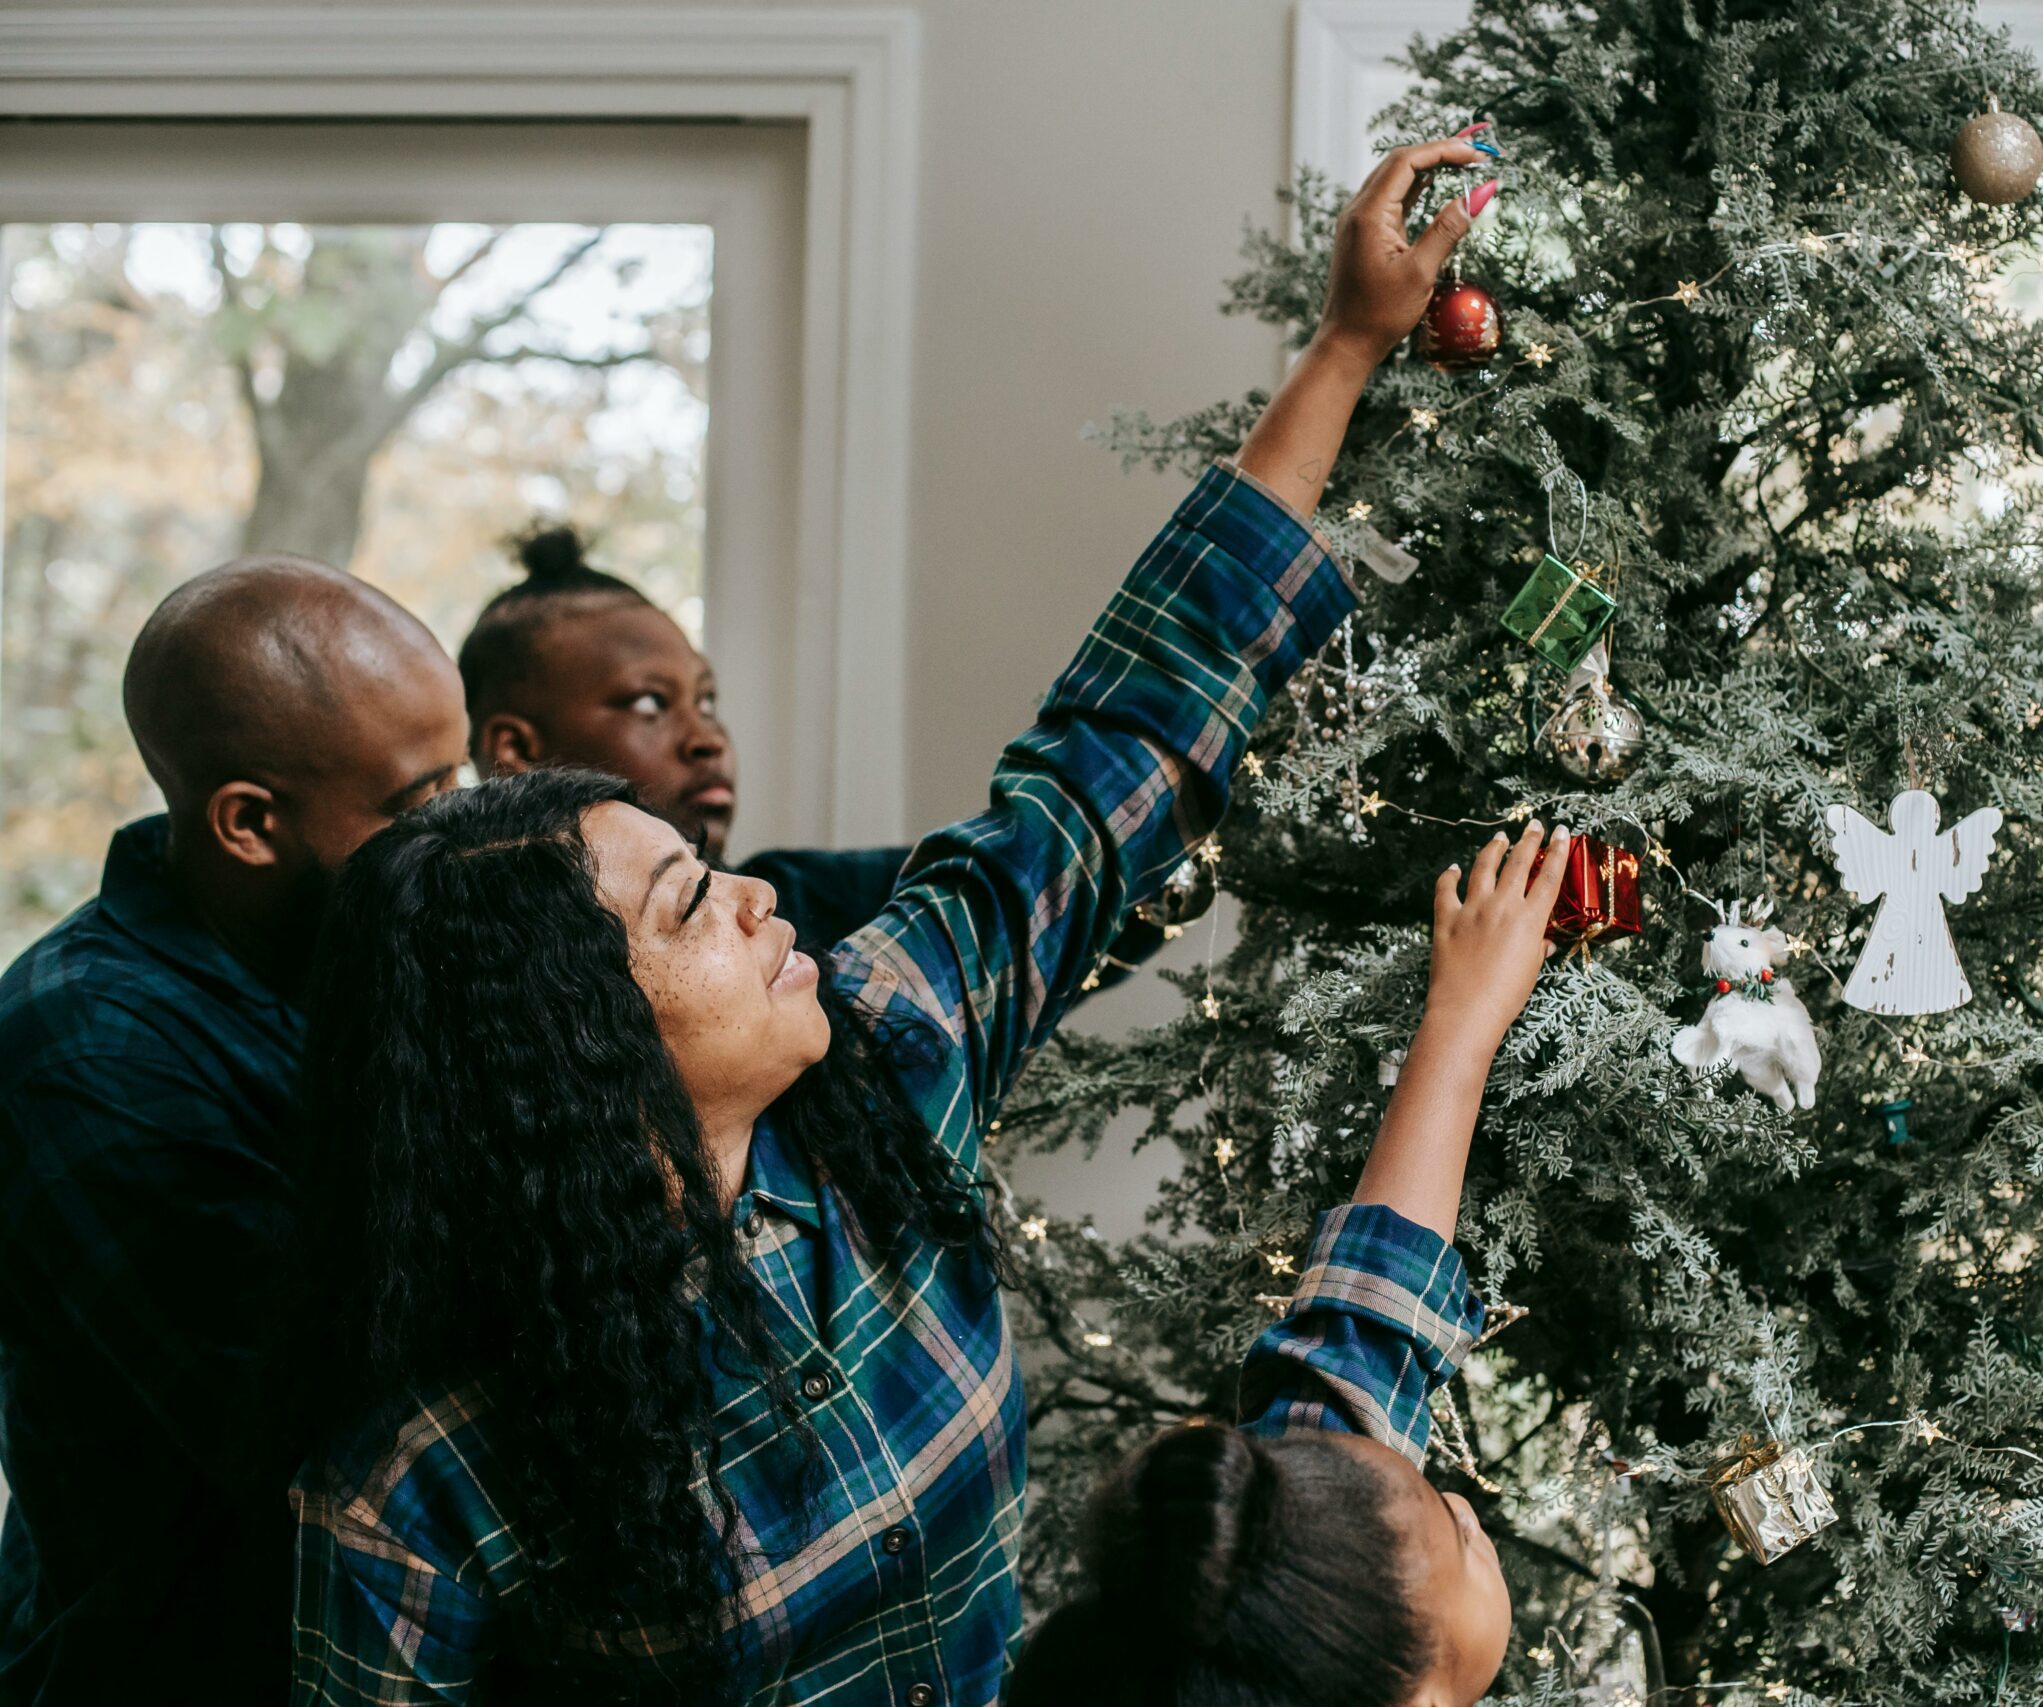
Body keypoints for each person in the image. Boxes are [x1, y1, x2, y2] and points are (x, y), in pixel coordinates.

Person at [285, 136, 1502, 1705]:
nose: (757, 893)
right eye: (688, 901)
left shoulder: (884, 1057)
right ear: (574, 1043)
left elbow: (1112, 756)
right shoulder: (419, 1492)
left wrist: (1344, 347)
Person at [0, 558, 468, 1703]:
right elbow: (323, 1428)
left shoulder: (360, 949)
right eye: (418, 804)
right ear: (249, 824)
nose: (466, 831)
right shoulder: (86, 1051)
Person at [1009, 825, 1568, 1707]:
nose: (1467, 1512)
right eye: (1458, 1540)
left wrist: (1463, 1018)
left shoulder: (1249, 1610)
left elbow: (1361, 1339)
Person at [456, 527, 1162, 975]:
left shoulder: (796, 903)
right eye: (649, 702)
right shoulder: (459, 952)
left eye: (707, 700)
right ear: (515, 749)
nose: (707, 737)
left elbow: (1023, 882)